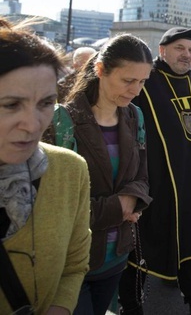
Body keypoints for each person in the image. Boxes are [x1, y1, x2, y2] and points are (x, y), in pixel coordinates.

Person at [43, 34, 153, 315]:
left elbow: (142, 176)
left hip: (117, 256)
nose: (136, 90)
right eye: (128, 80)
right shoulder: (61, 121)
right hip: (70, 262)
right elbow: (58, 207)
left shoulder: (135, 116)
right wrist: (121, 206)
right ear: (101, 70)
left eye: (142, 82)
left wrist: (134, 198)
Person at [119, 28, 191, 315]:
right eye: (179, 48)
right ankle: (131, 304)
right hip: (155, 182)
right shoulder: (147, 80)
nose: (186, 54)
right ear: (162, 50)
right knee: (141, 247)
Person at [0, 18, 91, 314]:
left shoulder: (69, 170)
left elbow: (75, 264)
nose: (33, 124)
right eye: (11, 105)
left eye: (46, 103)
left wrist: (60, 307)